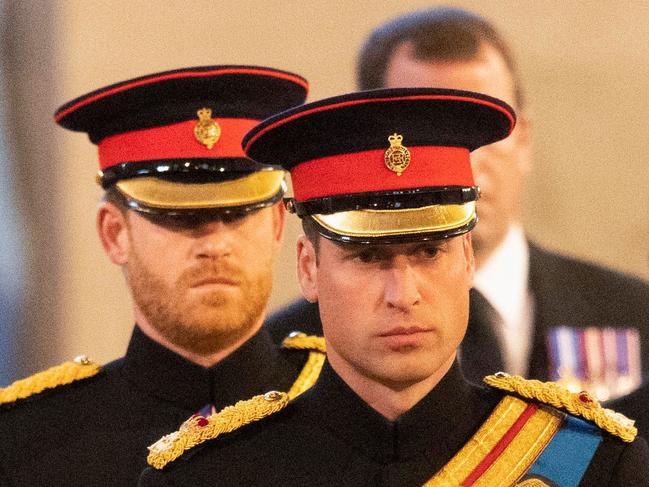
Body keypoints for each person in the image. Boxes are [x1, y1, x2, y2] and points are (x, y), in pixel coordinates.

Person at [140, 88, 648, 486]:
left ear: (467, 257)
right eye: (366, 256)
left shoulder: (590, 466)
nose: (403, 293)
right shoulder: (211, 476)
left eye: (430, 252)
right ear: (308, 267)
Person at [266, 7, 649, 400]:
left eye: (486, 131)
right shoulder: (278, 355)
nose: (466, 160)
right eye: (427, 133)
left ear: (525, 140)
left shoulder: (636, 314)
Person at [0, 66, 326, 486]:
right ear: (114, 233)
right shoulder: (25, 444)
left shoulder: (352, 411)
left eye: (239, 213)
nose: (215, 245)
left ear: (279, 225)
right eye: (181, 218)